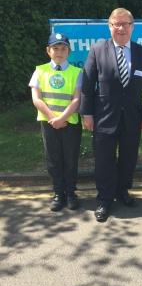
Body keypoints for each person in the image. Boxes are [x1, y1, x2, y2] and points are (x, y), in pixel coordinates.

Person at [81, 8, 142, 222]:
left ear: (132, 26)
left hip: (133, 117)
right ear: (110, 26)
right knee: (104, 161)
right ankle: (104, 200)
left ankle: (122, 192)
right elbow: (87, 85)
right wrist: (86, 113)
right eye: (116, 24)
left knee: (128, 160)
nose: (121, 28)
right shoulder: (97, 50)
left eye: (125, 24)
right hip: (103, 117)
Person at [29, 33, 82, 211]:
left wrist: (62, 119)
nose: (59, 52)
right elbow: (36, 99)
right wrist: (54, 119)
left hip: (70, 123)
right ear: (48, 51)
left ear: (69, 51)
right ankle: (59, 193)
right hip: (49, 124)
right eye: (55, 48)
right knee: (53, 159)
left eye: (63, 48)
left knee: (70, 158)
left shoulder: (77, 72)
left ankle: (71, 192)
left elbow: (76, 100)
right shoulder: (40, 71)